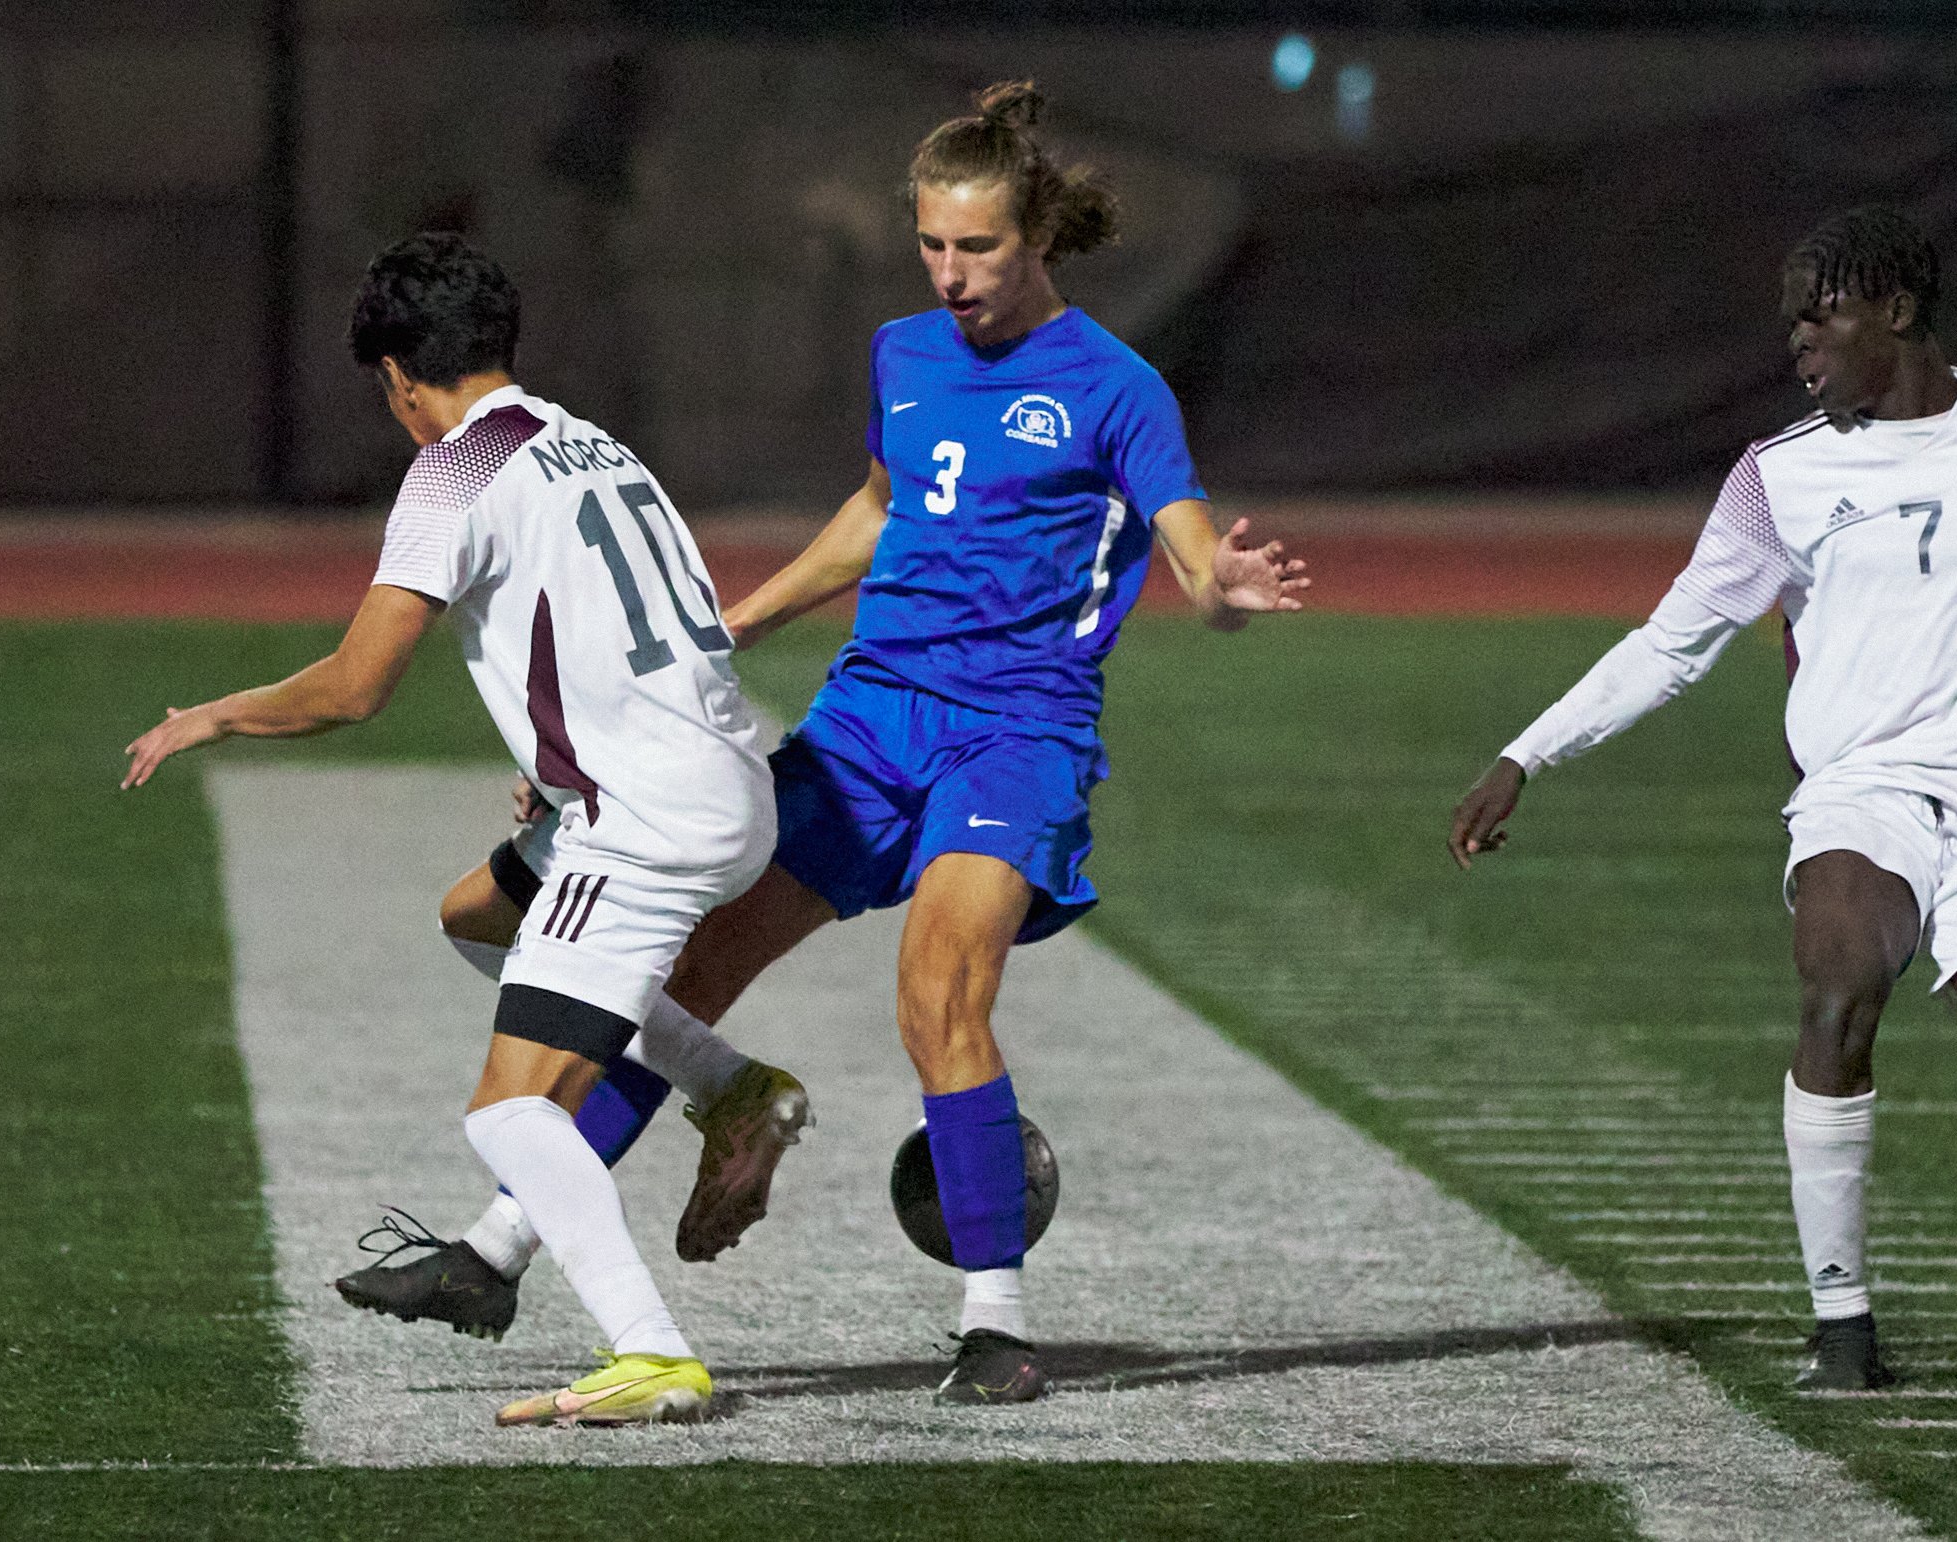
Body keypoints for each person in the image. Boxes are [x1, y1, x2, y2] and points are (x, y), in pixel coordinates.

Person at [336, 80, 1309, 1405]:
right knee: (672, 966)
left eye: (979, 247)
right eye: (934, 245)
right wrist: (729, 621)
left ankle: (993, 1323)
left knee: (937, 986)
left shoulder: (1117, 386)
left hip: (1013, 737)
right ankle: (497, 1248)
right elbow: (874, 511)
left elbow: (1189, 542)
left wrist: (1220, 586)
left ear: (1037, 239)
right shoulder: (905, 354)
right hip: (867, 723)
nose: (952, 273)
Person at [1446, 205, 1957, 1390]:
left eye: (1821, 310)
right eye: (1792, 313)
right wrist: (1527, 752)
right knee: (1839, 986)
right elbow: (1674, 642)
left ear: (1895, 311)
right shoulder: (1777, 477)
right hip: (1860, 794)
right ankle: (1843, 1325)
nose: (1797, 335)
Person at [123, 232, 808, 1426]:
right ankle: (730, 1084)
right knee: (480, 916)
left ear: (398, 373)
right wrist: (560, 768)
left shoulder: (452, 469)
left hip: (641, 822)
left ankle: (651, 1352)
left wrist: (215, 715)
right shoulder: (595, 441)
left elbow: (353, 686)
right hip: (725, 780)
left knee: (508, 1112)